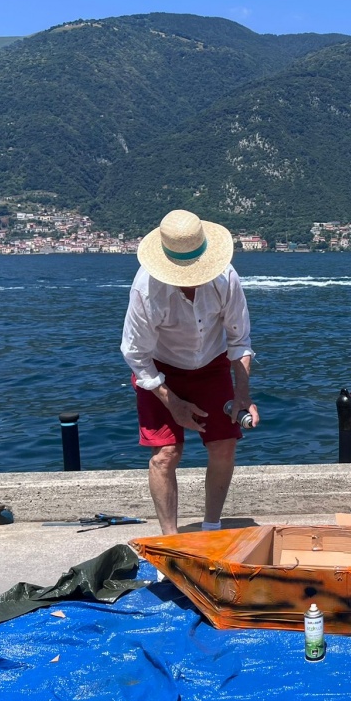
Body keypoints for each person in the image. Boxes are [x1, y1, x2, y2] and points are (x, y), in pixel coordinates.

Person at [120, 209, 258, 535]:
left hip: (212, 364)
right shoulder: (145, 289)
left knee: (224, 445)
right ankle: (171, 539)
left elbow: (239, 341)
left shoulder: (226, 278)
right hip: (158, 370)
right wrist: (172, 403)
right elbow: (135, 354)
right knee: (166, 455)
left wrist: (242, 394)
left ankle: (211, 528)